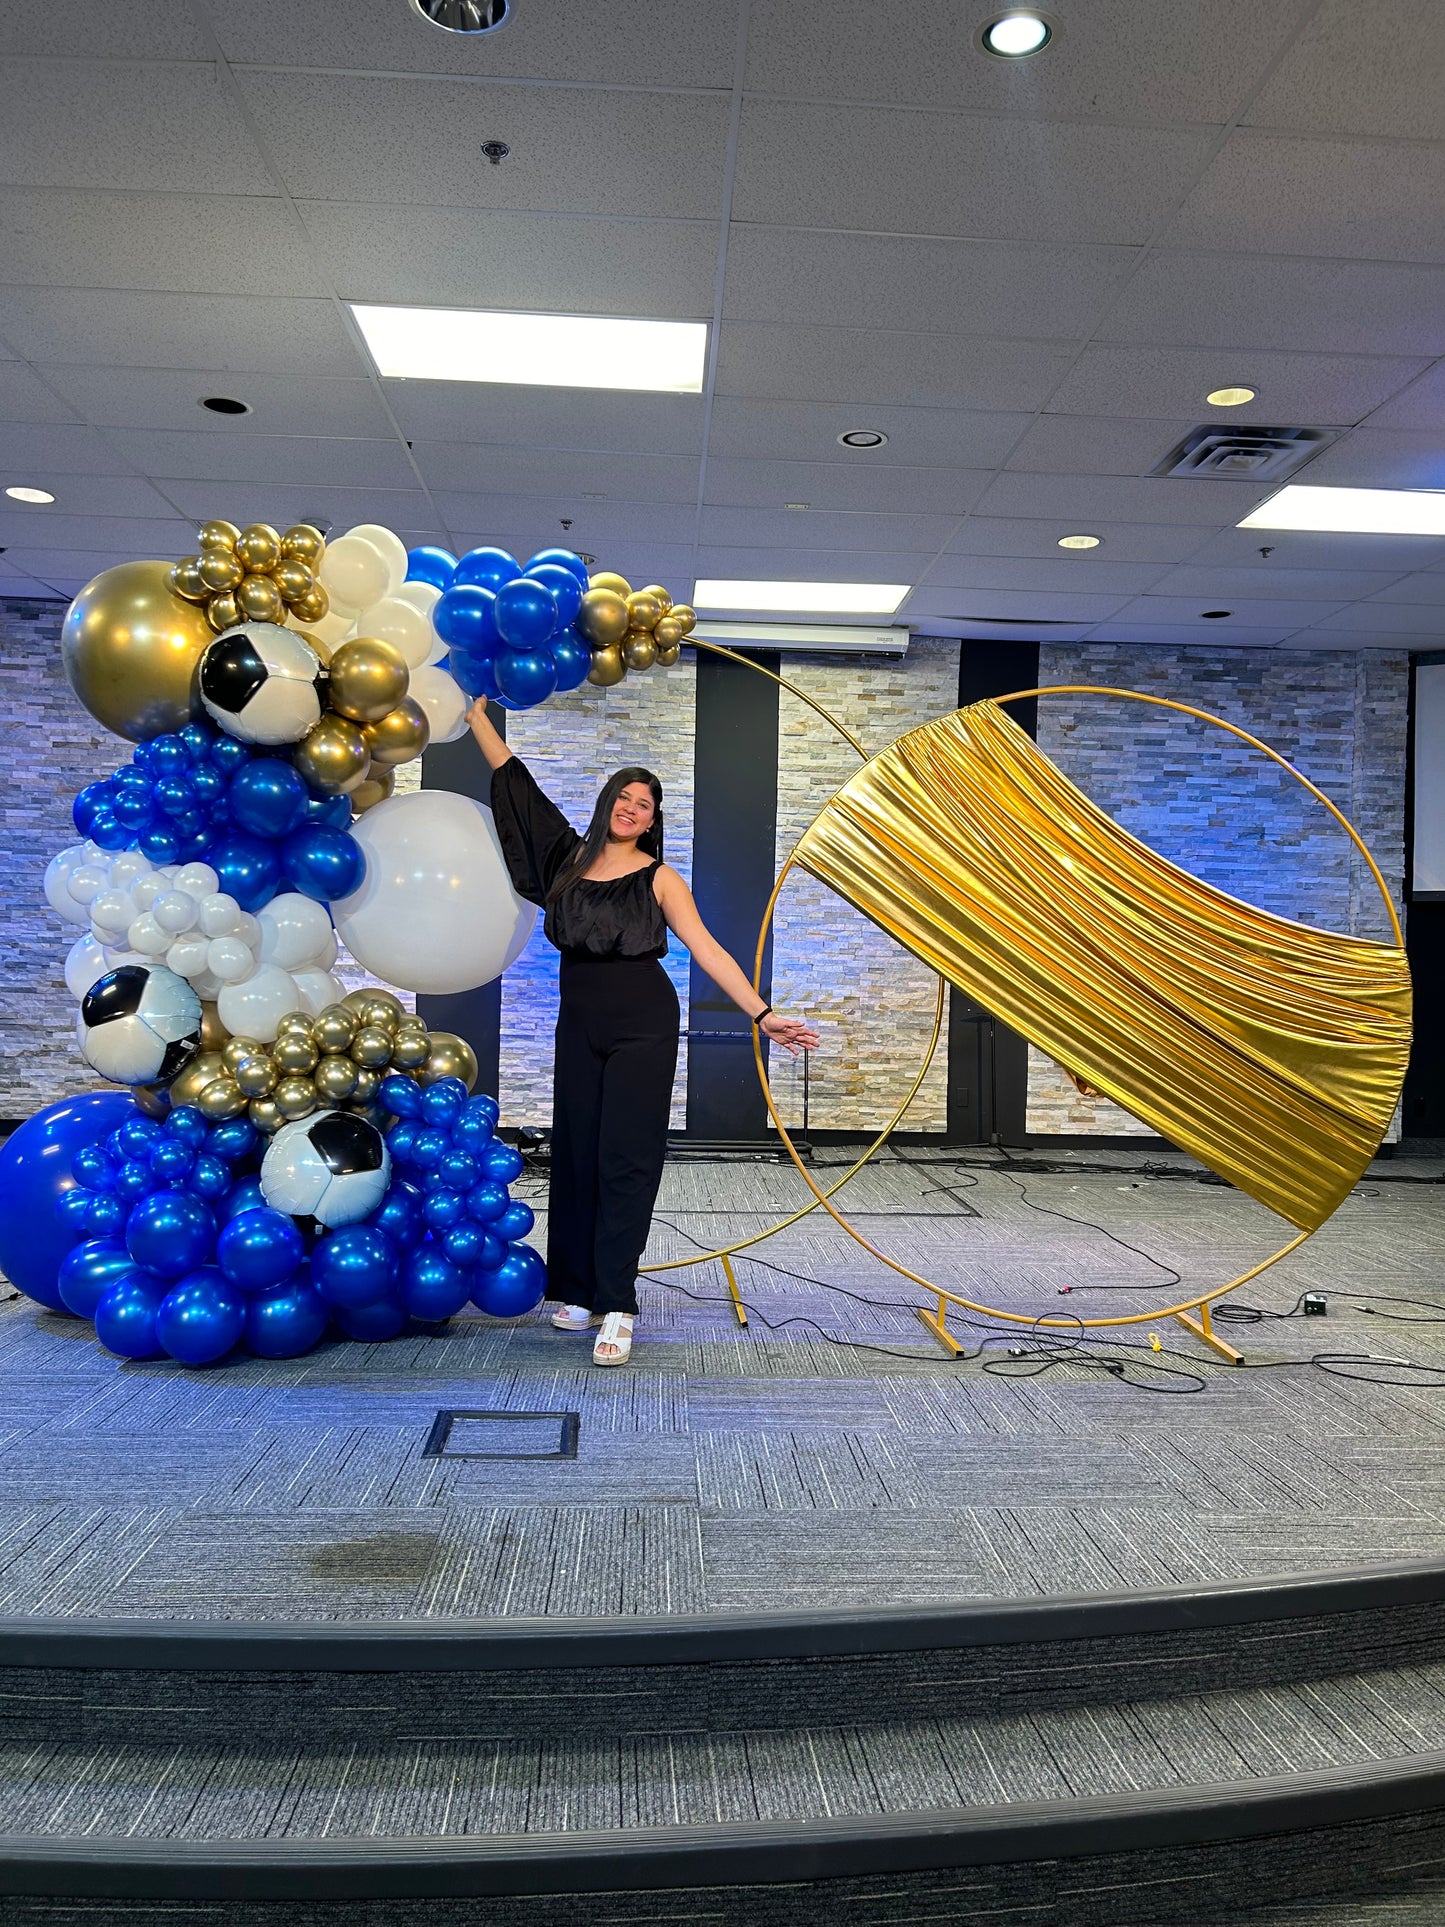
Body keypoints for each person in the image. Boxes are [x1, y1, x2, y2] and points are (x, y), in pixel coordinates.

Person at [466, 696, 819, 1366]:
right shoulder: (565, 861)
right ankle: (575, 1288)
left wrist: (761, 1013)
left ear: (653, 821)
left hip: (643, 1024)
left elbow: (708, 949)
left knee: (624, 1157)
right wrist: (476, 716)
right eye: (624, 798)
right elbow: (518, 786)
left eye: (644, 805)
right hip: (580, 1023)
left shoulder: (659, 878)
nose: (631, 809)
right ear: (607, 803)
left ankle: (618, 1302)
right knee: (576, 1152)